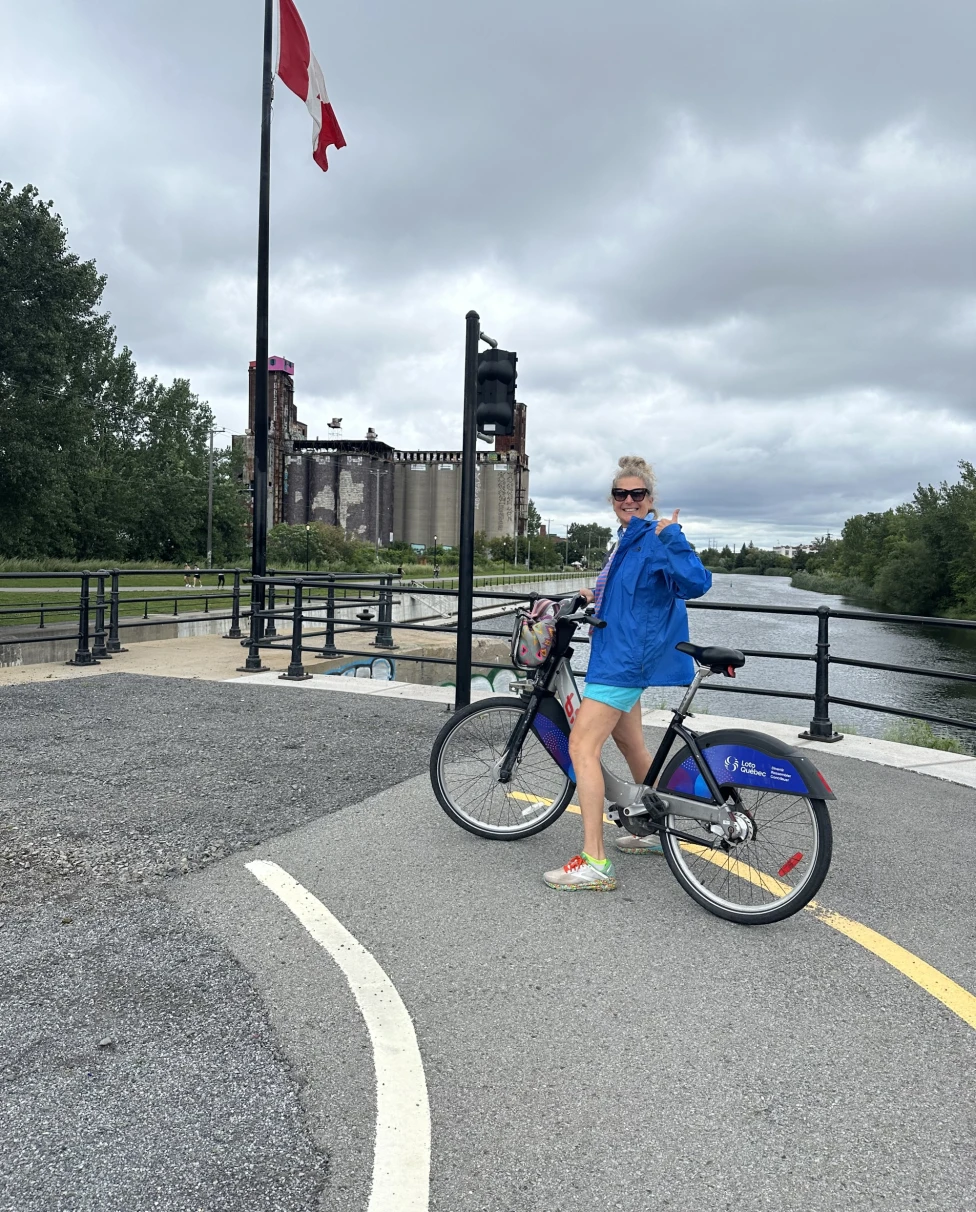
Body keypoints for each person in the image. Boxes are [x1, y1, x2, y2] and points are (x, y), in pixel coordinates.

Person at [543, 455, 712, 891]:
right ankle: (659, 829)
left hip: (623, 662)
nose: (629, 500)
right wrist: (590, 594)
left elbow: (696, 583)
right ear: (612, 500)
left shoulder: (655, 538)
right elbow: (626, 593)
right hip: (618, 654)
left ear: (650, 499)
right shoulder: (625, 541)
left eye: (638, 494)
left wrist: (673, 535)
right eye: (622, 494)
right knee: (630, 741)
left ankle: (594, 861)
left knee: (582, 745)